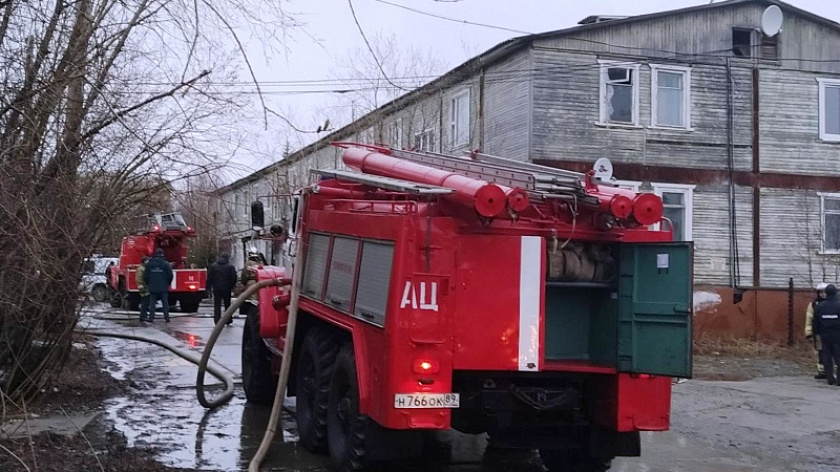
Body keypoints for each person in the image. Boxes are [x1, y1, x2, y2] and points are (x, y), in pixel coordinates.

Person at [814, 284, 840, 386]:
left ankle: (830, 379)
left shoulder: (819, 306)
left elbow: (815, 322)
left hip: (824, 335)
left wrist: (816, 334)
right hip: (837, 335)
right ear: (836, 293)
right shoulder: (839, 305)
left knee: (827, 357)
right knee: (838, 357)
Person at [144, 248, 173, 323]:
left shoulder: (149, 264)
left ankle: (151, 318)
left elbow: (146, 276)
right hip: (163, 287)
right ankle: (167, 318)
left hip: (153, 287)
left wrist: (148, 283)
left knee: (152, 303)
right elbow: (170, 275)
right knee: (165, 303)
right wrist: (168, 283)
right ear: (162, 254)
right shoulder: (166, 263)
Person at [805, 282, 828, 379]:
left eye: (824, 292)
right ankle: (822, 371)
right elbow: (809, 319)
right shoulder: (814, 304)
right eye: (821, 292)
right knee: (820, 352)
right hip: (818, 333)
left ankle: (831, 370)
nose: (823, 294)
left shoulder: (835, 303)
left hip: (830, 333)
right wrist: (808, 333)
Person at [207, 252, 237, 325]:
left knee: (217, 305)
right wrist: (231, 287)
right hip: (226, 289)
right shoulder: (230, 267)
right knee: (227, 305)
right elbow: (234, 278)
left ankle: (217, 320)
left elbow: (210, 277)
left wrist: (209, 287)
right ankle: (228, 319)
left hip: (216, 288)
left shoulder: (214, 266)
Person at [136, 256, 151, 322]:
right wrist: (141, 287)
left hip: (145, 287)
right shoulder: (141, 269)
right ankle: (142, 316)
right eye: (147, 260)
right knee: (145, 302)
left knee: (147, 302)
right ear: (144, 261)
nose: (148, 261)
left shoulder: (144, 268)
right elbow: (139, 279)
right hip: (143, 288)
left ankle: (144, 314)